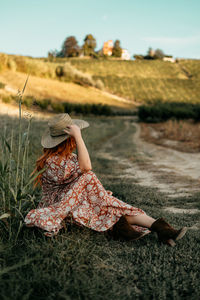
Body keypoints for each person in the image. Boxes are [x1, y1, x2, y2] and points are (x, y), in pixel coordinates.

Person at [24, 113, 187, 246]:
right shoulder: (51, 162)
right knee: (94, 185)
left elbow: (82, 175)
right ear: (70, 140)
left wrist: (100, 197)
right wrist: (79, 137)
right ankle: (124, 229)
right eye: (74, 138)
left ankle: (161, 229)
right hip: (64, 206)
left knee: (110, 206)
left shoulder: (70, 158)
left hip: (80, 202)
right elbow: (87, 169)